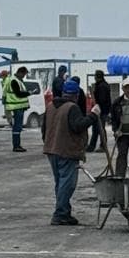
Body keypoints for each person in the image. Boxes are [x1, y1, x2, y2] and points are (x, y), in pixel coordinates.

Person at [42, 75, 90, 226]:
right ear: (75, 95)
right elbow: (78, 126)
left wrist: (49, 143)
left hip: (52, 150)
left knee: (60, 182)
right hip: (67, 151)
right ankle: (60, 214)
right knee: (67, 184)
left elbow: (44, 129)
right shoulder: (72, 108)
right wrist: (94, 116)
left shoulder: (50, 106)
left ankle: (64, 211)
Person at [2, 65, 31, 153]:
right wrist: (28, 93)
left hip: (17, 106)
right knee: (17, 127)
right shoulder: (14, 80)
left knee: (17, 127)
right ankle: (16, 145)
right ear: (20, 73)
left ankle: (17, 145)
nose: (24, 76)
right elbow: (18, 94)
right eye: (24, 74)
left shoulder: (16, 80)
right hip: (16, 106)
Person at [87, 70, 112, 153]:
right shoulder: (103, 85)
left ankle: (102, 146)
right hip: (101, 110)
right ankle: (92, 146)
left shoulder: (101, 86)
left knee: (100, 128)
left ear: (97, 77)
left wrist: (98, 107)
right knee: (96, 128)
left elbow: (102, 99)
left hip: (101, 110)